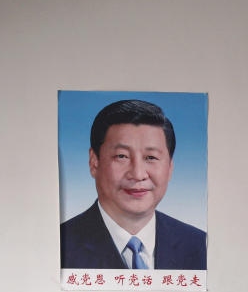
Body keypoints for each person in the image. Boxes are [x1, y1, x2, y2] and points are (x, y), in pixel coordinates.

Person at [60, 99, 207, 270]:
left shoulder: (199, 246)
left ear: (170, 168)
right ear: (94, 163)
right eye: (122, 156)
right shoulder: (59, 245)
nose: (138, 174)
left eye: (150, 157)